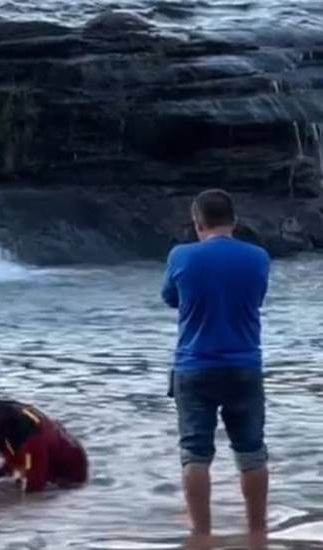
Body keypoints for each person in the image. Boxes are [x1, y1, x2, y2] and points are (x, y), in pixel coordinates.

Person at [162, 189, 271, 546]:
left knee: (195, 453)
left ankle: (201, 534)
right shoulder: (258, 258)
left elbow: (171, 298)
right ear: (234, 222)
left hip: (194, 367)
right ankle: (257, 532)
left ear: (197, 223)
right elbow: (256, 298)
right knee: (251, 452)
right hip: (244, 365)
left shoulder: (181, 256)